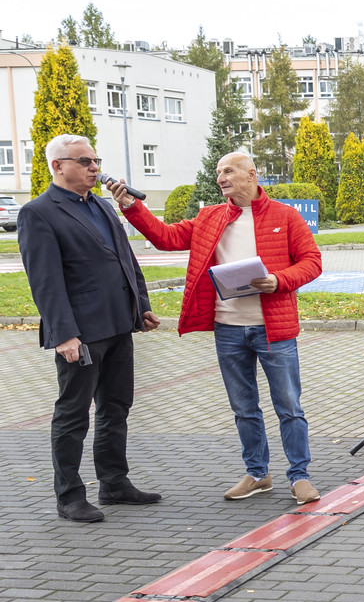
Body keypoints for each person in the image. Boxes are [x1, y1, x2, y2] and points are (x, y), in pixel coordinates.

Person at [110, 152, 324, 503]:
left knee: (289, 407)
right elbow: (166, 238)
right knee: (244, 408)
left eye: (228, 171)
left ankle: (299, 476)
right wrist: (132, 206)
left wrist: (278, 280)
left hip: (273, 330)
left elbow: (312, 262)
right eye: (218, 172)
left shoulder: (285, 216)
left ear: (252, 174)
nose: (221, 177)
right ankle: (258, 473)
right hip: (228, 329)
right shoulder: (210, 216)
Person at [18, 135, 162, 523]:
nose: (94, 167)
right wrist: (64, 334)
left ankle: (114, 483)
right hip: (80, 334)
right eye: (84, 161)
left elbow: (126, 260)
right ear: (57, 166)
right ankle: (69, 496)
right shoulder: (38, 213)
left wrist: (141, 307)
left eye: (95, 160)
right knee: (73, 415)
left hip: (118, 326)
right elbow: (45, 282)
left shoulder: (101, 205)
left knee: (116, 407)